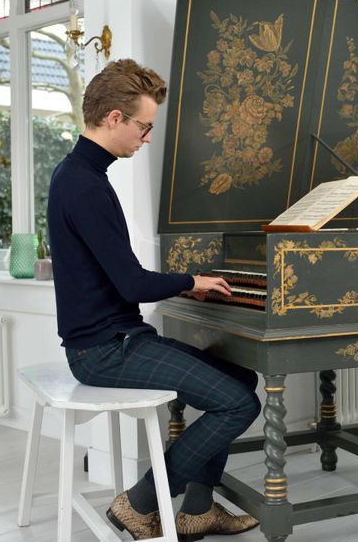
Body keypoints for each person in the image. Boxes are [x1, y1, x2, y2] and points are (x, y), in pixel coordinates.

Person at [47, 59, 262, 541]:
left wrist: (187, 283)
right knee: (238, 404)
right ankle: (140, 502)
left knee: (241, 378)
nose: (146, 139)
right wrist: (191, 280)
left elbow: (122, 281)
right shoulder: (84, 185)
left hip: (117, 339)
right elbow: (133, 286)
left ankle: (198, 511)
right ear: (114, 118)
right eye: (143, 127)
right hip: (104, 351)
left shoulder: (80, 174)